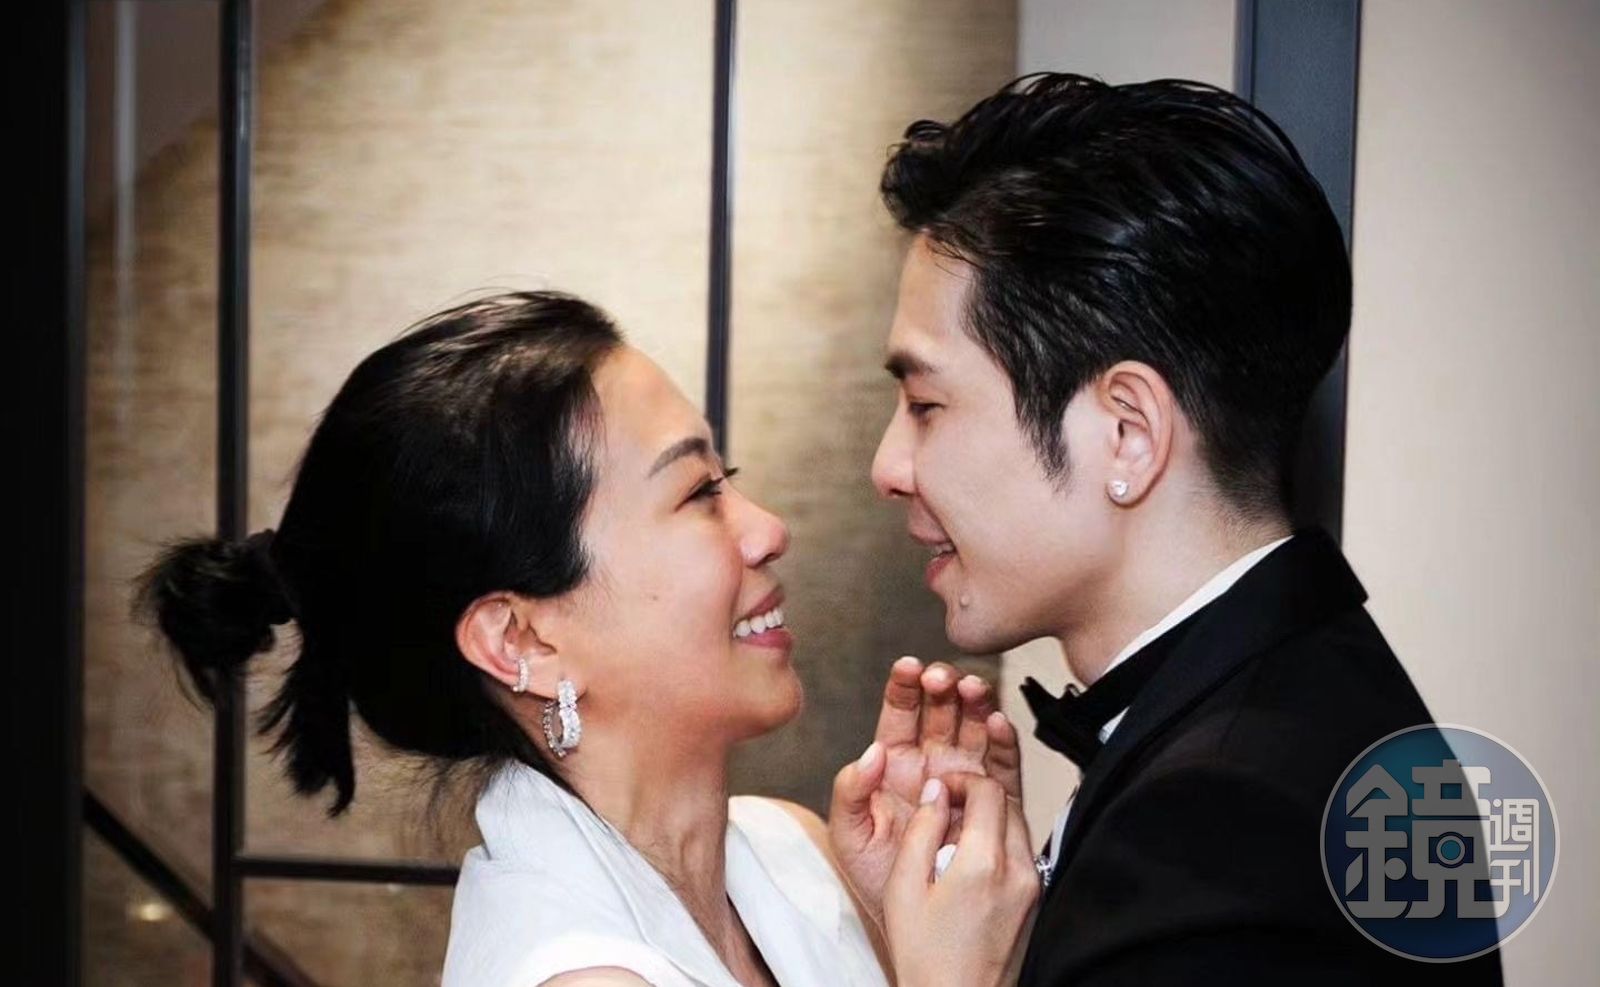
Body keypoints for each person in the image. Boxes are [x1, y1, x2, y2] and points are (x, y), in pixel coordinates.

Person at [135, 291, 1038, 987]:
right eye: (697, 494)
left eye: (727, 475)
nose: (767, 529)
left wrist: (910, 916)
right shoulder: (574, 972)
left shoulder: (792, 849)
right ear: (520, 640)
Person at [828, 74, 1506, 984]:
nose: (888, 466)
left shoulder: (1218, 821)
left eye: (925, 404)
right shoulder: (1294, 696)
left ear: (1128, 433)